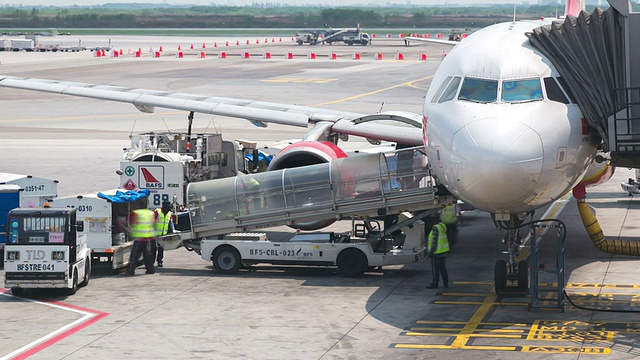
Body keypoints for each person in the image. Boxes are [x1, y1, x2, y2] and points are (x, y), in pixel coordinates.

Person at [127, 208, 157, 275]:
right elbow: (154, 224)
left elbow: (132, 223)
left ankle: (130, 270)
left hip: (139, 238)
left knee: (135, 256)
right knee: (148, 256)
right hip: (149, 238)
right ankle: (150, 270)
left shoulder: (136, 213)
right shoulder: (151, 213)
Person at [425, 217, 450, 289]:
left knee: (436, 269)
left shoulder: (435, 228)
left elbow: (434, 241)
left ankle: (435, 283)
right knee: (443, 268)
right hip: (443, 250)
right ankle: (446, 283)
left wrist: (431, 251)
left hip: (437, 252)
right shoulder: (442, 226)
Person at [154, 200, 174, 268]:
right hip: (155, 234)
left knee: (161, 249)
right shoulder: (157, 212)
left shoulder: (169, 213)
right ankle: (151, 262)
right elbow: (152, 221)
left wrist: (173, 230)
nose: (168, 210)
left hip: (163, 234)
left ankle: (159, 261)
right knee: (153, 249)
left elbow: (170, 222)